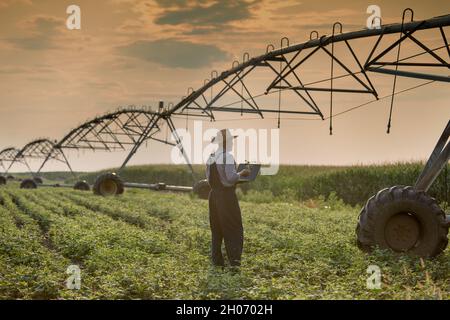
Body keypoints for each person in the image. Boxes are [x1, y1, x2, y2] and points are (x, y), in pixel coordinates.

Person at [206, 129, 250, 267]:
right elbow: (231, 178)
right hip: (226, 196)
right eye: (231, 141)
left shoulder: (211, 157)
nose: (232, 144)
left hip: (213, 196)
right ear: (226, 142)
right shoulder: (228, 157)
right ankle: (234, 264)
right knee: (234, 229)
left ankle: (217, 264)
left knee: (216, 230)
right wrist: (242, 173)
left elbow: (208, 179)